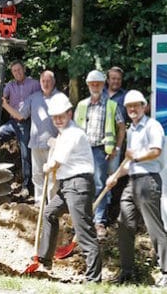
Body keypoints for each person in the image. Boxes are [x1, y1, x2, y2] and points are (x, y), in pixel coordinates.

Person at [106, 90, 167, 287]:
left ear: (144, 106)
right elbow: (129, 161)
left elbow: (155, 151)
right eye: (129, 106)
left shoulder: (153, 126)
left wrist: (136, 156)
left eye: (136, 105)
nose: (132, 109)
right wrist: (115, 176)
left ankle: (166, 273)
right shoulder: (132, 130)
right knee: (124, 225)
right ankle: (127, 271)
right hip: (132, 182)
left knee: (154, 228)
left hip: (148, 181)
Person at [37, 92, 101, 283]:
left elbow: (56, 163)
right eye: (55, 117)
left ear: (69, 114)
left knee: (84, 232)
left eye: (61, 116)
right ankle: (45, 260)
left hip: (78, 185)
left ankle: (93, 280)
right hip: (67, 186)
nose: (57, 120)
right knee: (49, 212)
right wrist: (54, 143)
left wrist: (47, 167)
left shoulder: (73, 133)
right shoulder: (64, 133)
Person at [74, 70, 125, 239]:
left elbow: (121, 127)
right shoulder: (82, 105)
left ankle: (99, 222)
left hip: (100, 152)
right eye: (92, 83)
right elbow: (73, 130)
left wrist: (116, 148)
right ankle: (84, 220)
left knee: (99, 185)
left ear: (103, 85)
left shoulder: (111, 105)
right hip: (83, 151)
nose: (95, 86)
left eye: (98, 83)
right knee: (83, 186)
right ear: (88, 85)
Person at [0, 70, 58, 204]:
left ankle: (53, 205)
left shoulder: (59, 97)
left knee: (52, 177)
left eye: (49, 81)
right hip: (36, 143)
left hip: (53, 144)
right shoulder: (34, 97)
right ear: (40, 82)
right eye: (43, 81)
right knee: (37, 175)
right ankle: (39, 203)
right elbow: (20, 115)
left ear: (53, 82)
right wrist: (5, 105)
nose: (46, 83)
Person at [0, 60, 40, 198]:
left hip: (27, 122)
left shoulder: (33, 84)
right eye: (14, 71)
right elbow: (0, 100)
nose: (17, 73)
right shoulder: (10, 85)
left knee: (26, 153)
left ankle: (27, 187)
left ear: (24, 69)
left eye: (19, 70)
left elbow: (42, 101)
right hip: (13, 122)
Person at [103, 66, 128, 225]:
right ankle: (101, 211)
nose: (115, 81)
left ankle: (110, 211)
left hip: (117, 144)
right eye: (113, 78)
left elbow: (123, 124)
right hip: (99, 144)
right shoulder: (100, 93)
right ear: (107, 79)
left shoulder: (125, 96)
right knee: (100, 176)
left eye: (118, 79)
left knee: (113, 177)